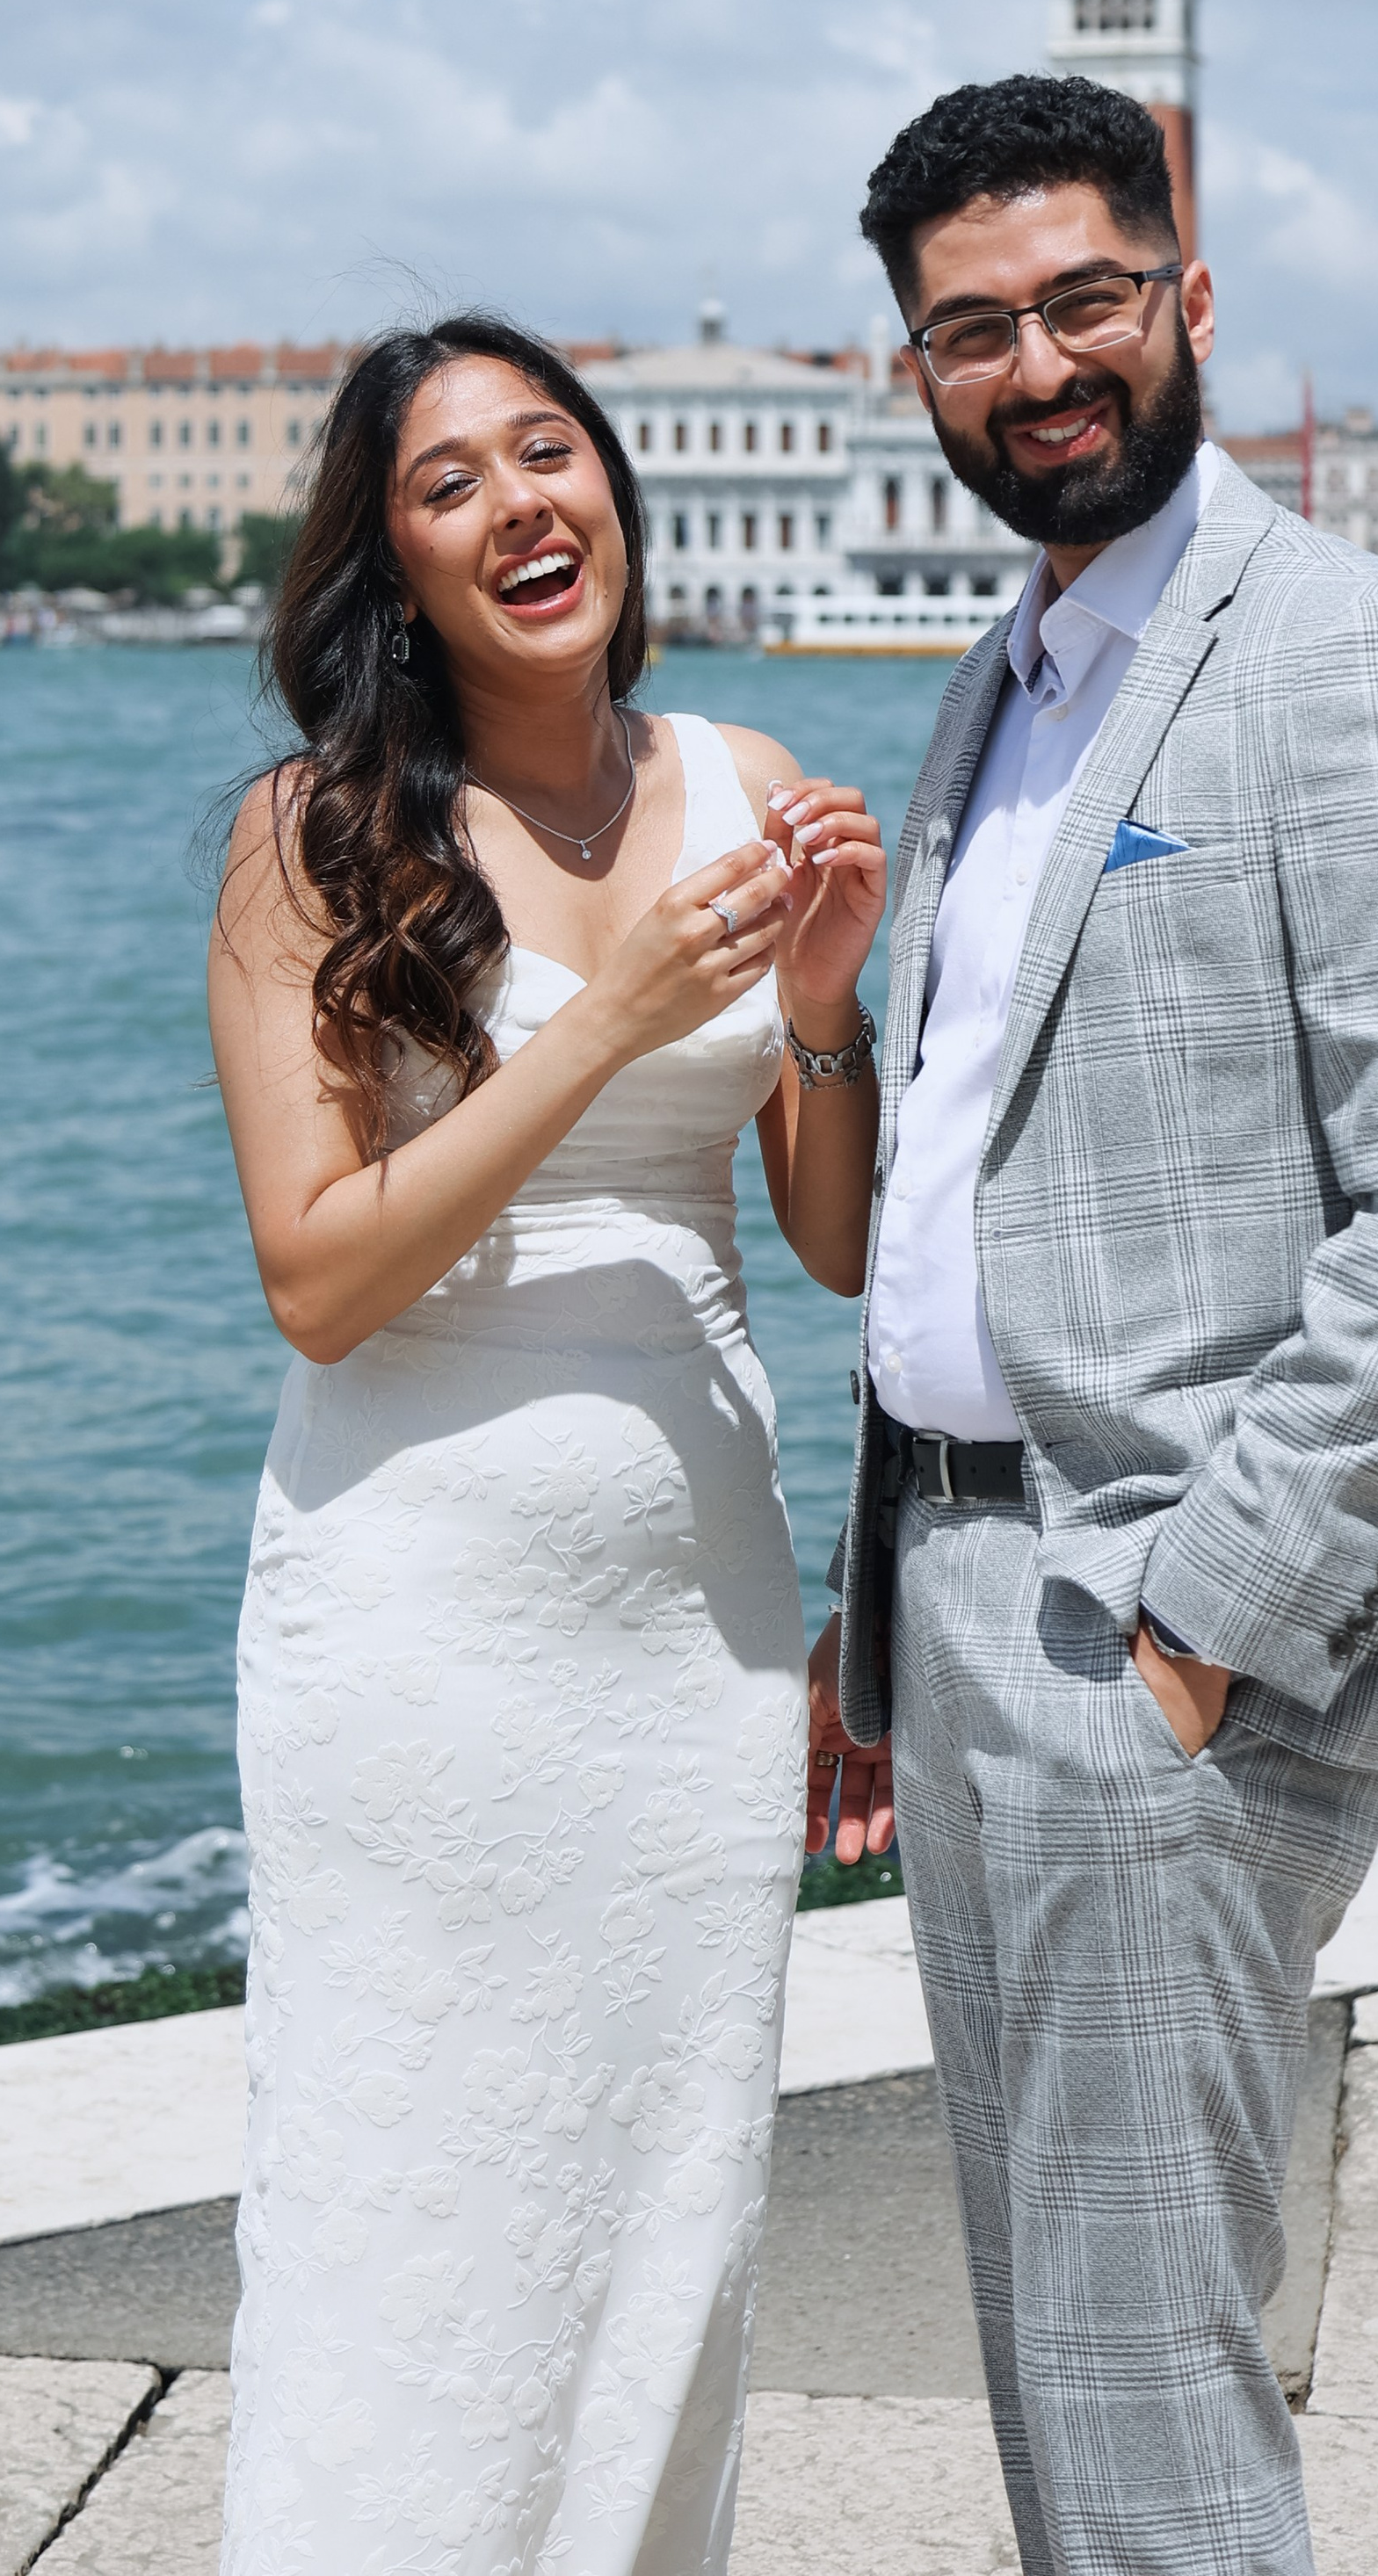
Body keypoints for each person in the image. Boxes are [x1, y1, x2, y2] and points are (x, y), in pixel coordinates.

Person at [807, 78, 1378, 2576]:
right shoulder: (998, 690)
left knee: (1141, 2380)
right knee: (1057, 2339)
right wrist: (886, 1607)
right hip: (964, 1600)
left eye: (1082, 303)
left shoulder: (1355, 661)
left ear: (1190, 302)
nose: (1037, 365)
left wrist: (1194, 1636)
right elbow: (976, 1177)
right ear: (915, 369)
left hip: (1164, 1622)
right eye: (972, 329)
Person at [208, 314, 885, 2576]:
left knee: (664, 2214)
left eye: (549, 452)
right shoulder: (307, 841)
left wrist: (817, 1013)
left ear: (614, 485)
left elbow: (832, 1245)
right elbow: (319, 1278)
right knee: (406, 2208)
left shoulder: (738, 771)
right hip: (415, 1641)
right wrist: (600, 1024)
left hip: (688, 1639)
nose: (521, 505)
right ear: (388, 562)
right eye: (448, 483)